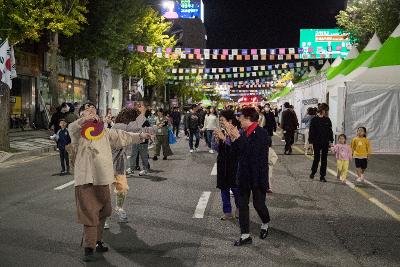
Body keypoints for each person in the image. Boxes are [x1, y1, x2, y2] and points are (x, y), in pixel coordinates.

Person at [68, 102, 150, 262]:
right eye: (86, 110)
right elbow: (72, 128)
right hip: (85, 179)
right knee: (89, 213)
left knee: (104, 211)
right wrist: (83, 121)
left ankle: (98, 241)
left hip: (103, 178)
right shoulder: (79, 133)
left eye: (93, 109)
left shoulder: (104, 132)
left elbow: (122, 136)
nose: (91, 111)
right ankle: (89, 247)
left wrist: (141, 136)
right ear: (81, 115)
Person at [226, 107, 271, 246]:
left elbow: (253, 154)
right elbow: (236, 154)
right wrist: (230, 138)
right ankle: (245, 235)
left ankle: (265, 222)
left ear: (248, 118)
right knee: (242, 205)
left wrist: (238, 138)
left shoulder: (262, 133)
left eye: (240, 117)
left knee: (259, 204)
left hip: (257, 175)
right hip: (244, 175)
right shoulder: (242, 132)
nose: (238, 119)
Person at [213, 110, 240, 220]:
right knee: (224, 188)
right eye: (220, 120)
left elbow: (237, 147)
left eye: (223, 120)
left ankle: (239, 207)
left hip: (234, 163)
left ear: (230, 120)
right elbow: (214, 148)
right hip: (222, 163)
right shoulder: (221, 131)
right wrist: (216, 141)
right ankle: (227, 212)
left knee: (235, 188)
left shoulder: (237, 131)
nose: (221, 122)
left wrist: (225, 139)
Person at [309, 103, 334, 182]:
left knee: (324, 159)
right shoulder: (314, 120)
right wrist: (310, 142)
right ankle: (313, 172)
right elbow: (311, 131)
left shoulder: (327, 120)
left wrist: (331, 141)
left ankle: (322, 176)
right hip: (316, 142)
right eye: (325, 110)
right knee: (316, 158)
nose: (326, 112)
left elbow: (330, 131)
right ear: (322, 110)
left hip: (325, 142)